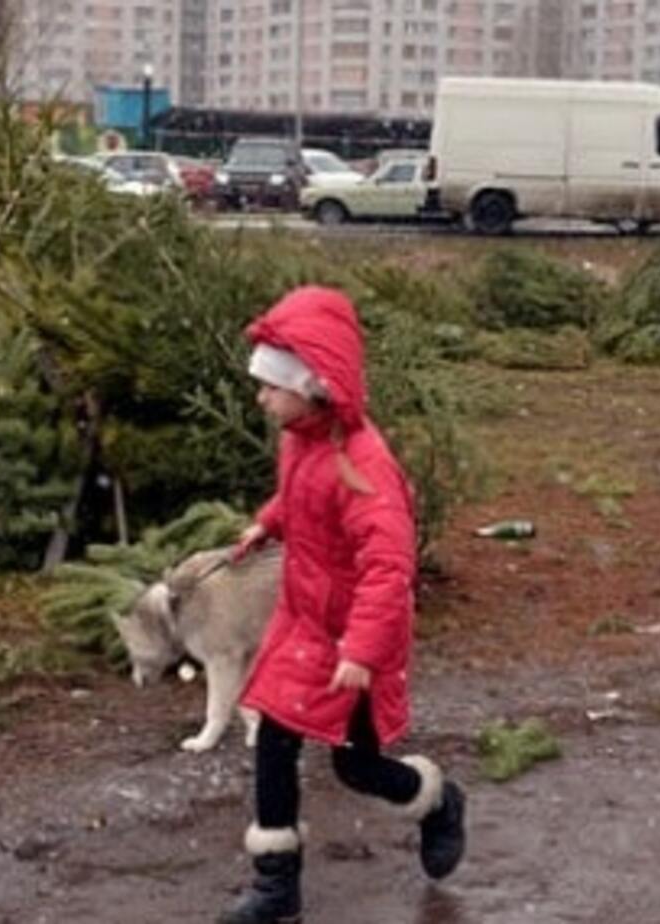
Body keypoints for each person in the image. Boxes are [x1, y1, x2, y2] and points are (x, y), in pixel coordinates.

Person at [218, 286, 466, 924]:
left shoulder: (366, 467)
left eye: (271, 386)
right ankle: (277, 887)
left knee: (355, 766)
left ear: (313, 386)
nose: (261, 397)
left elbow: (388, 569)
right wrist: (267, 525)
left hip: (352, 637)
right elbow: (301, 496)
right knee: (273, 737)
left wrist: (361, 651)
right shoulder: (302, 436)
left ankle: (437, 801)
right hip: (304, 622)